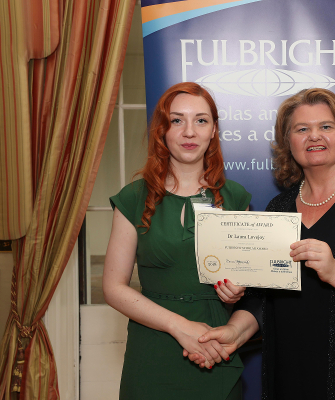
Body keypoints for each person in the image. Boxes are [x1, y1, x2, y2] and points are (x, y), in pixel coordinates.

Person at [188, 88, 335, 399]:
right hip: (290, 371)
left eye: (326, 126)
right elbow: (262, 297)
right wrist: (235, 332)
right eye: (302, 129)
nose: (315, 136)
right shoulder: (279, 207)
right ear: (289, 142)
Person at [103, 82, 250, 400]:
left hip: (215, 346)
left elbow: (249, 286)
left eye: (201, 120)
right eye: (177, 120)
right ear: (162, 130)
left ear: (213, 131)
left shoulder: (236, 197)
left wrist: (237, 291)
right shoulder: (134, 198)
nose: (189, 132)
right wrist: (179, 326)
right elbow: (113, 287)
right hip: (153, 347)